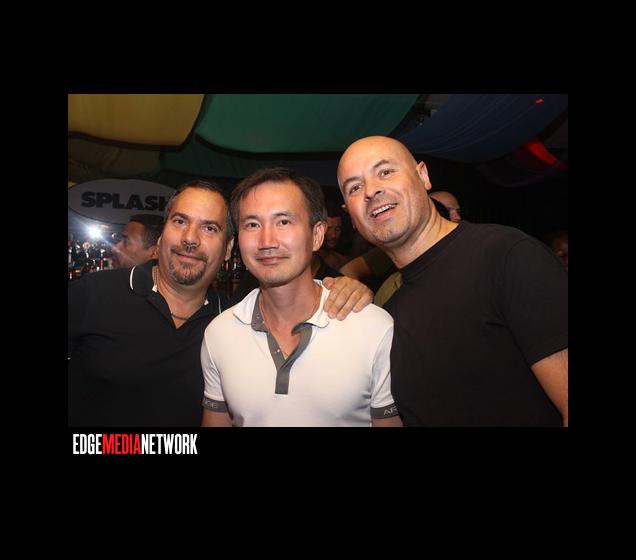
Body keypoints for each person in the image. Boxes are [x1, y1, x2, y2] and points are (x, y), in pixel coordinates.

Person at [68, 179, 372, 427]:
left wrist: (346, 290)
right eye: (180, 221)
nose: (190, 238)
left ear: (228, 249)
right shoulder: (92, 294)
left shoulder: (234, 323)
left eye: (209, 228)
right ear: (161, 238)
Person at [337, 136, 568, 427]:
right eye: (355, 187)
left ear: (423, 176)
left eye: (385, 172)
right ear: (350, 215)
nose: (371, 190)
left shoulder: (506, 256)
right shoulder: (388, 314)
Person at [201, 168, 401, 427]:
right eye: (252, 225)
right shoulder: (219, 334)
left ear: (317, 235)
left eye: (283, 221)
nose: (267, 241)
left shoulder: (374, 329)